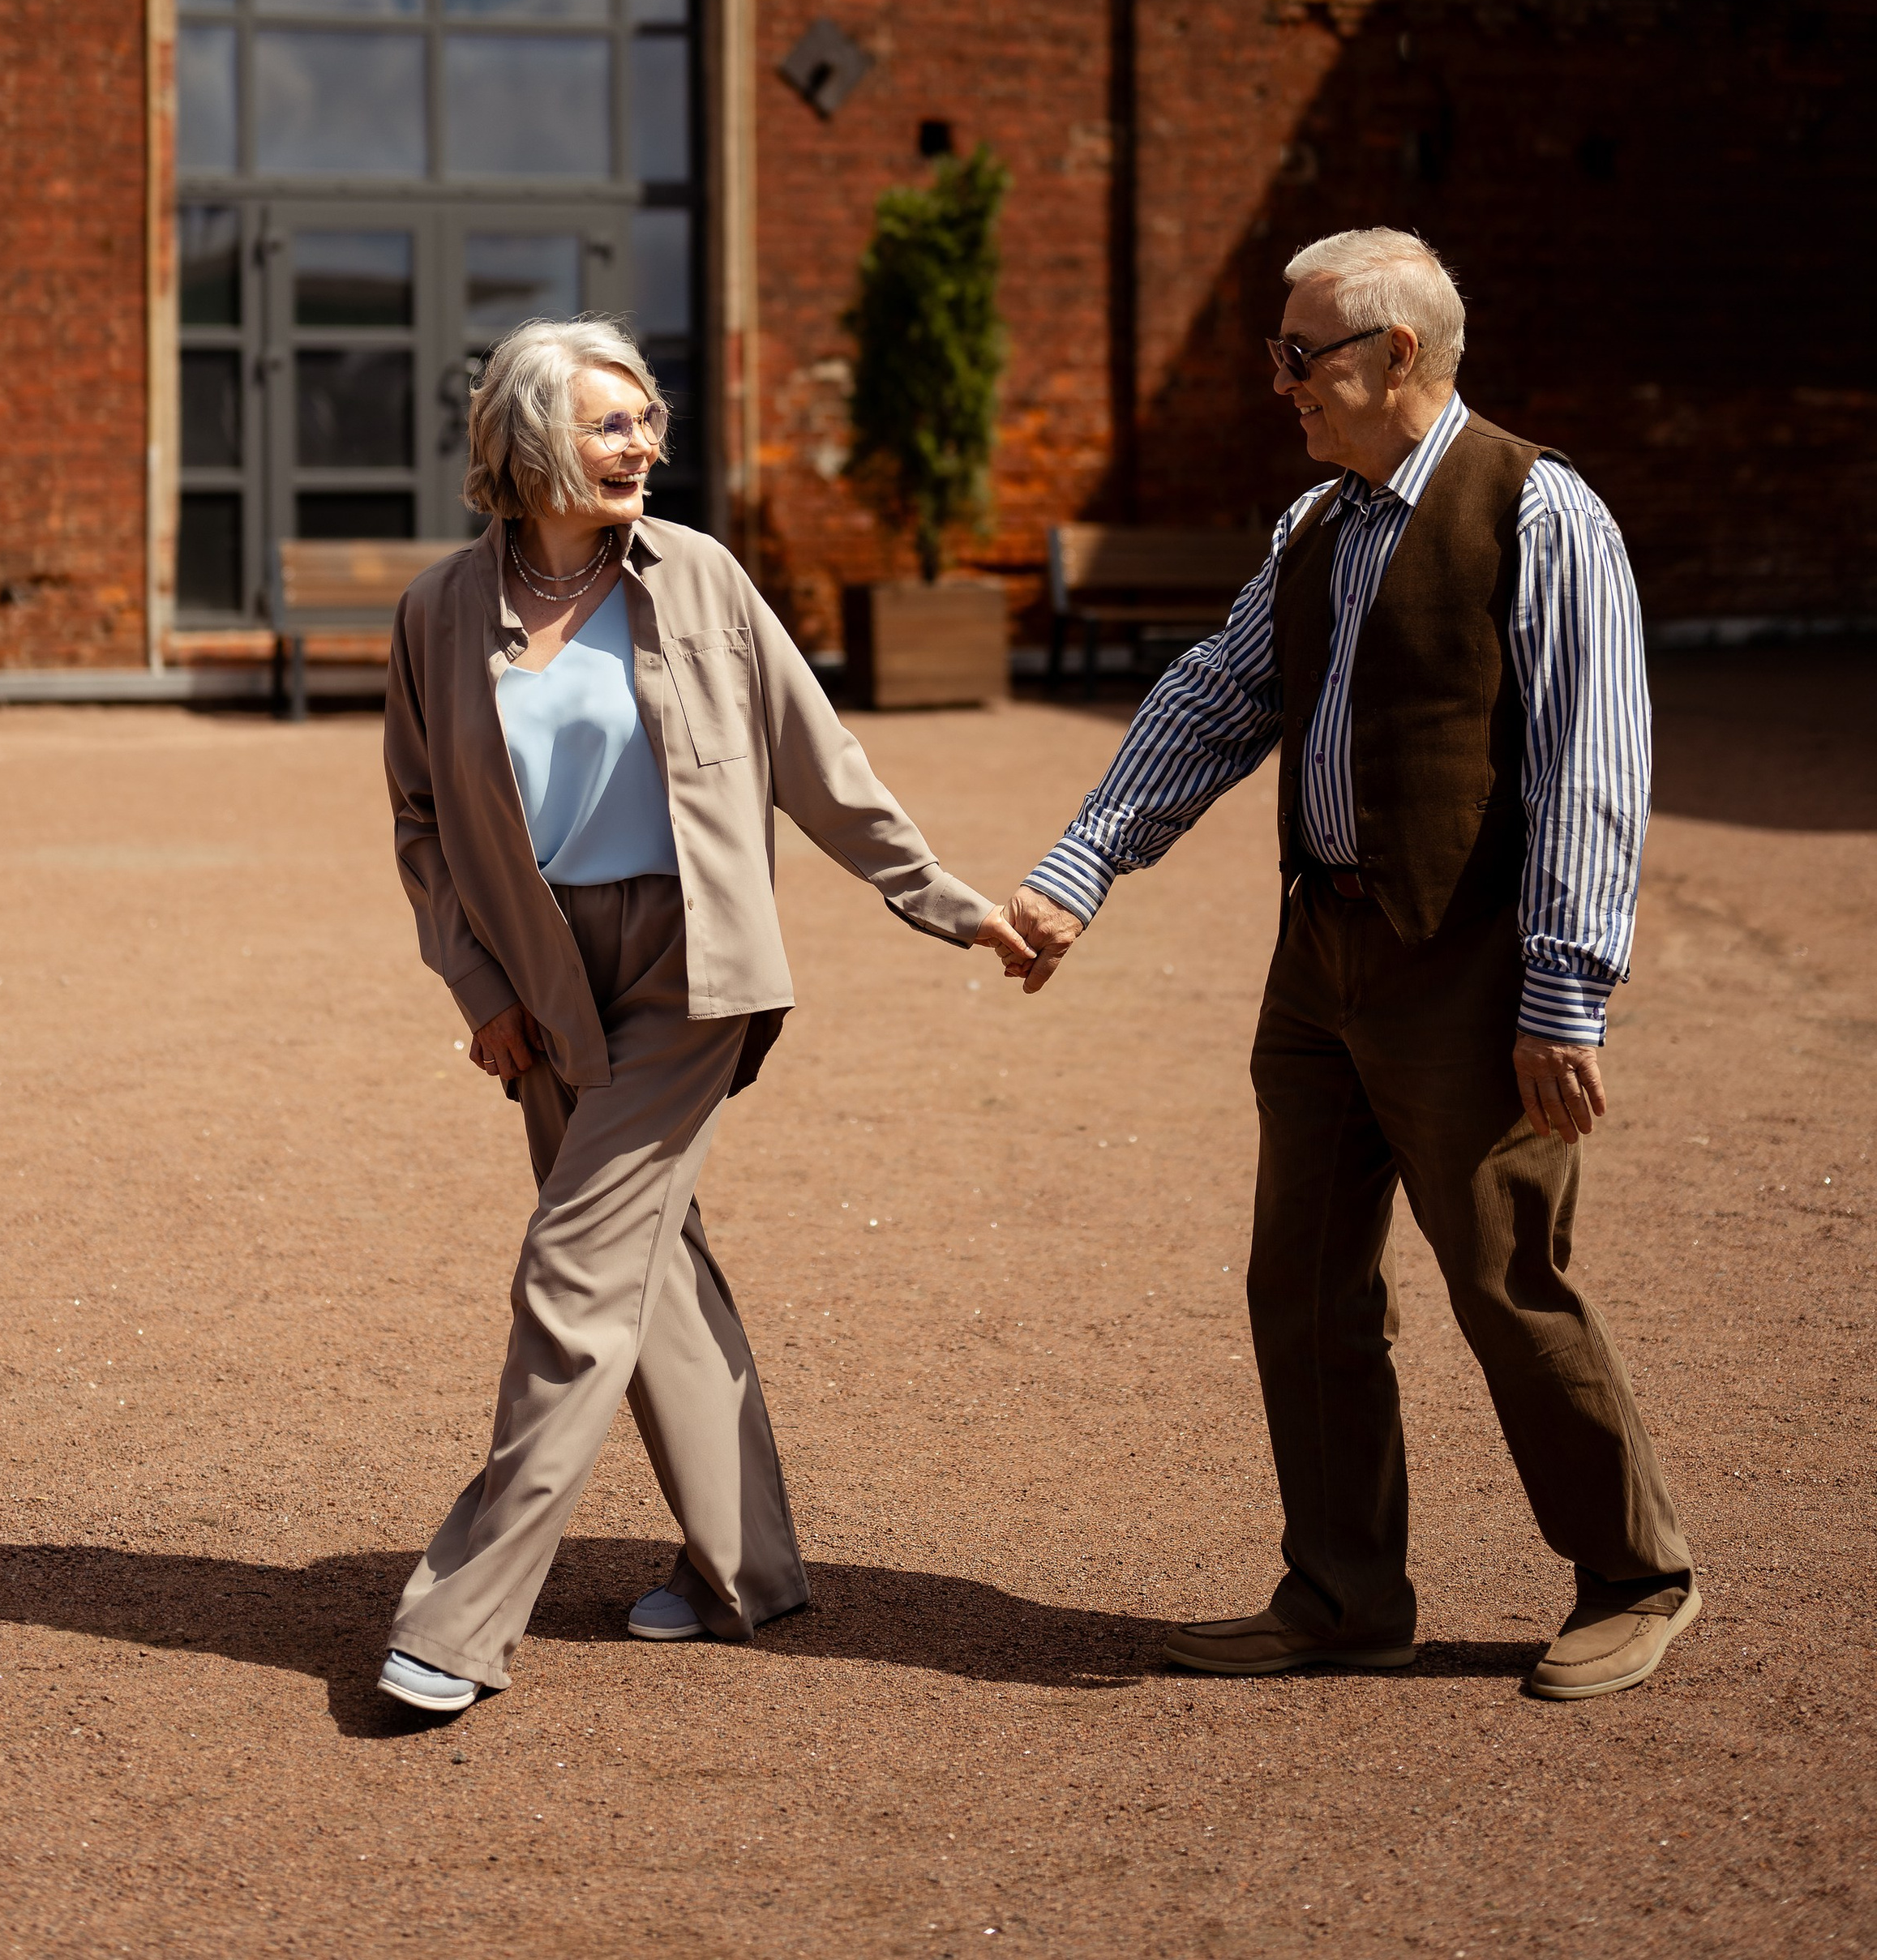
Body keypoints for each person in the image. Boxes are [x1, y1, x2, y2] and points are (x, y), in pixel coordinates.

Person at [991, 228, 1699, 1703]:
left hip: (1468, 962)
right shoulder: (1318, 523)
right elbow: (1219, 693)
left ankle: (1637, 1571)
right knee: (1301, 1284)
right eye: (1279, 352)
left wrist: (1564, 989)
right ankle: (1343, 1593)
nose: (1280, 382)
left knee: (1507, 1276)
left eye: (1298, 353)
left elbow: (1593, 761)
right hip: (1318, 955)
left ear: (1399, 355)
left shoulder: (1541, 508)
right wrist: (1082, 868)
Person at [375, 315, 1021, 1716]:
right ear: (534, 438)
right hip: (547, 979)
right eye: (615, 424)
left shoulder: (706, 580)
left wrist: (945, 898)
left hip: (690, 966)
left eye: (650, 420)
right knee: (649, 1261)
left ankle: (460, 1622)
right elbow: (423, 827)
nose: (646, 444)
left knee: (575, 1272)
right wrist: (481, 990)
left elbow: (816, 758)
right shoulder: (437, 611)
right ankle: (750, 1571)